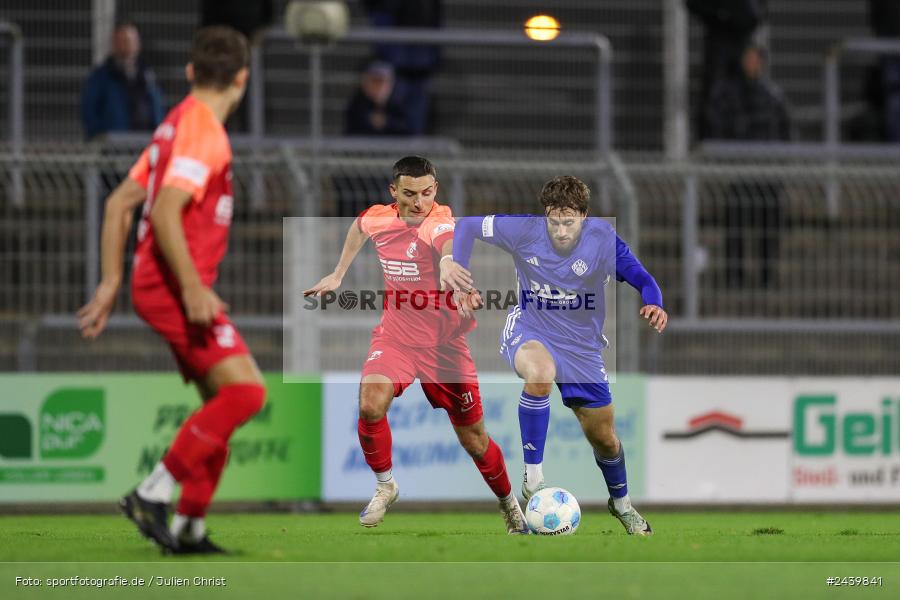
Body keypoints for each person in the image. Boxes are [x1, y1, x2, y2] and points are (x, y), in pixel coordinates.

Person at [78, 26, 263, 555]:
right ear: (243, 78)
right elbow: (163, 212)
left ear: (189, 72)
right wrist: (192, 288)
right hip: (172, 287)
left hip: (156, 284)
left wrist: (111, 282)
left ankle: (188, 528)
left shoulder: (175, 124)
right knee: (246, 393)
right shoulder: (204, 131)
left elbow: (119, 203)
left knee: (219, 407)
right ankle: (153, 491)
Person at [305, 156, 528, 534]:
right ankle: (385, 485)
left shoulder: (439, 219)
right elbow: (359, 227)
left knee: (475, 440)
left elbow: (445, 242)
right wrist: (339, 273)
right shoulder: (379, 217)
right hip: (396, 338)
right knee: (370, 403)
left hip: (445, 348)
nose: (419, 202)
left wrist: (448, 264)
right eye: (409, 194)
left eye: (426, 193)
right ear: (394, 191)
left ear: (435, 189)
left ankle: (509, 503)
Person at [441, 176, 667, 536]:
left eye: (569, 222)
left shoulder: (601, 239)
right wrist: (461, 280)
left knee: (605, 439)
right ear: (545, 215)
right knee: (540, 372)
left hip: (582, 348)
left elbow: (642, 277)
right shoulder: (524, 230)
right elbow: (466, 225)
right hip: (531, 329)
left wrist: (654, 301)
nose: (561, 231)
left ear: (584, 217)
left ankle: (622, 505)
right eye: (554, 221)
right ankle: (533, 478)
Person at [704, 43, 791, 287]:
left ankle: (767, 277)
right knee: (736, 226)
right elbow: (718, 127)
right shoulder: (728, 95)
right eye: (748, 58)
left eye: (756, 59)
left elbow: (784, 131)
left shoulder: (772, 96)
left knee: (768, 226)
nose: (752, 64)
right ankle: (735, 277)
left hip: (767, 172)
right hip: (740, 171)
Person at [335, 60, 413, 218]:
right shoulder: (357, 105)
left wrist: (387, 123)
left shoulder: (397, 107)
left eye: (382, 82)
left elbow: (408, 129)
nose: (378, 87)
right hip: (357, 173)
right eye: (374, 82)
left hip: (385, 173)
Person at [686, 0, 766, 141]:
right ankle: (709, 140)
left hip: (742, 39)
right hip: (718, 42)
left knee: (747, 92)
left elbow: (757, 11)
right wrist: (720, 14)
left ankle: (747, 140)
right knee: (714, 95)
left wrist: (745, 15)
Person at [80, 21, 164, 140]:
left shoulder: (147, 75)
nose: (128, 45)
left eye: (131, 41)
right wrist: (100, 136)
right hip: (113, 143)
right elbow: (89, 111)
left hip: (145, 140)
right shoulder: (101, 77)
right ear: (115, 44)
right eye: (123, 41)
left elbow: (157, 107)